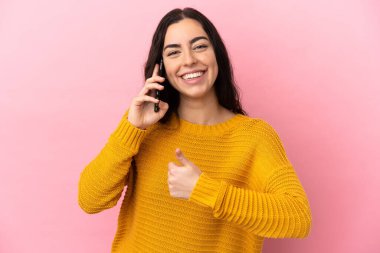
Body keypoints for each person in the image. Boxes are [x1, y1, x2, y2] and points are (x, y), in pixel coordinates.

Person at [78, 7, 312, 253]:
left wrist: (202, 189)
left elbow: (298, 218)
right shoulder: (143, 128)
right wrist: (131, 128)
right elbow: (90, 200)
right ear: (161, 67)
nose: (188, 60)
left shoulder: (254, 137)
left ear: (217, 55)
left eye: (199, 46)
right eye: (174, 52)